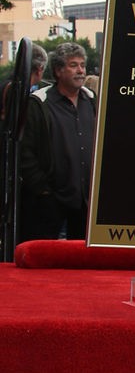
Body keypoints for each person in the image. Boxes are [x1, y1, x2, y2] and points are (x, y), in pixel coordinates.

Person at [18, 42, 95, 240]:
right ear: (58, 70)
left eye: (82, 65)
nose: (80, 71)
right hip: (50, 201)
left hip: (85, 202)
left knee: (82, 266)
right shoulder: (39, 102)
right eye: (73, 65)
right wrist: (42, 189)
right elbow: (25, 151)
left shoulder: (91, 99)